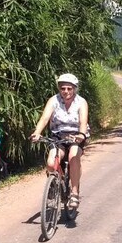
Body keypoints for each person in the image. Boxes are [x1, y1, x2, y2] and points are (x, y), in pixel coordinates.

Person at [30, 73, 89, 213]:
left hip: (76, 136)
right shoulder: (53, 100)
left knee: (73, 156)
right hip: (58, 136)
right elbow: (44, 118)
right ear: (59, 88)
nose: (66, 91)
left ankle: (74, 192)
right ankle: (56, 184)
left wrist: (81, 135)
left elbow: (83, 121)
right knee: (51, 163)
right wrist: (37, 132)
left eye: (69, 88)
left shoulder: (81, 102)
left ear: (75, 89)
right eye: (63, 88)